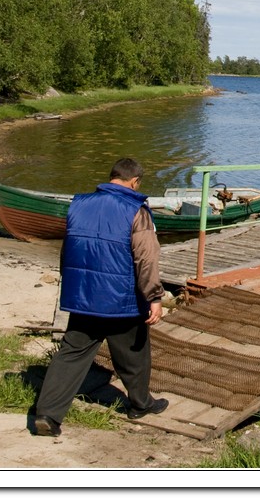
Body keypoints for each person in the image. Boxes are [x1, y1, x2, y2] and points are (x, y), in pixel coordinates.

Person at [32, 158, 169, 437]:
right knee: (134, 353)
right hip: (122, 300)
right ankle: (141, 405)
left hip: (84, 295)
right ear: (135, 182)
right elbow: (146, 258)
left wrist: (69, 284)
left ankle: (47, 414)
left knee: (71, 354)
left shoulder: (79, 203)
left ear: (112, 177)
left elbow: (69, 248)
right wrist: (154, 296)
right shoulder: (136, 210)